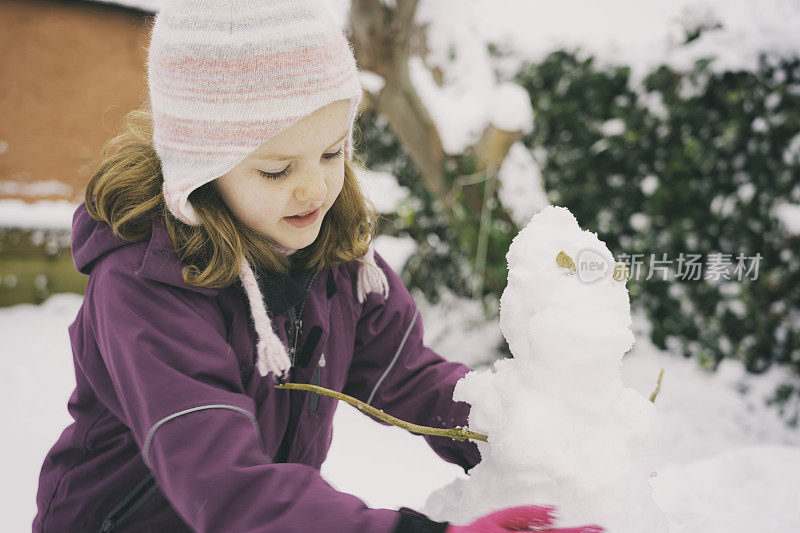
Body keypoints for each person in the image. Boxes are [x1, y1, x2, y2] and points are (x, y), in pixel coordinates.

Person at [32, 1, 605, 532]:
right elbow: (224, 483)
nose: (316, 188)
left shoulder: (336, 261)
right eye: (277, 170)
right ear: (198, 170)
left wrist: (534, 443)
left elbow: (407, 377)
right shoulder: (146, 287)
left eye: (333, 153)